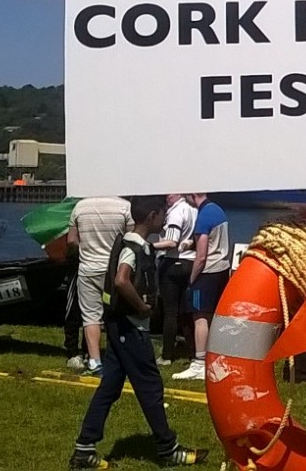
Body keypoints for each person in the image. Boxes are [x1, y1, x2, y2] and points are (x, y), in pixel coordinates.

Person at [69, 195, 204, 469]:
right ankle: (168, 449)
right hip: (130, 328)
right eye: (163, 213)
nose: (165, 218)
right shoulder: (133, 247)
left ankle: (84, 449)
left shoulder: (138, 244)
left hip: (120, 326)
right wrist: (142, 308)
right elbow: (121, 280)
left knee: (110, 387)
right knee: (150, 386)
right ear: (152, 216)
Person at [68, 195, 132, 376]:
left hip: (88, 268)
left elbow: (72, 241)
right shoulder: (124, 207)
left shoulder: (80, 207)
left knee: (90, 316)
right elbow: (131, 239)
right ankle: (120, 355)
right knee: (117, 313)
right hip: (114, 269)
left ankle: (94, 361)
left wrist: (81, 251)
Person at [172, 193, 231, 382]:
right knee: (213, 316)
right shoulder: (217, 210)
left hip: (207, 272)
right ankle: (215, 359)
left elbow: (202, 256)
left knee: (199, 317)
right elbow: (213, 240)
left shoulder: (203, 215)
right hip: (222, 268)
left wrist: (191, 279)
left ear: (192, 195)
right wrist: (191, 242)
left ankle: (199, 362)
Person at [151, 193, 198, 365]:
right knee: (186, 311)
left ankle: (167, 355)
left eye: (170, 193)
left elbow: (172, 242)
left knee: (170, 312)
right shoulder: (194, 210)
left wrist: (149, 246)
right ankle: (194, 352)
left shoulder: (176, 212)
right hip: (190, 262)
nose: (167, 196)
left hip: (172, 262)